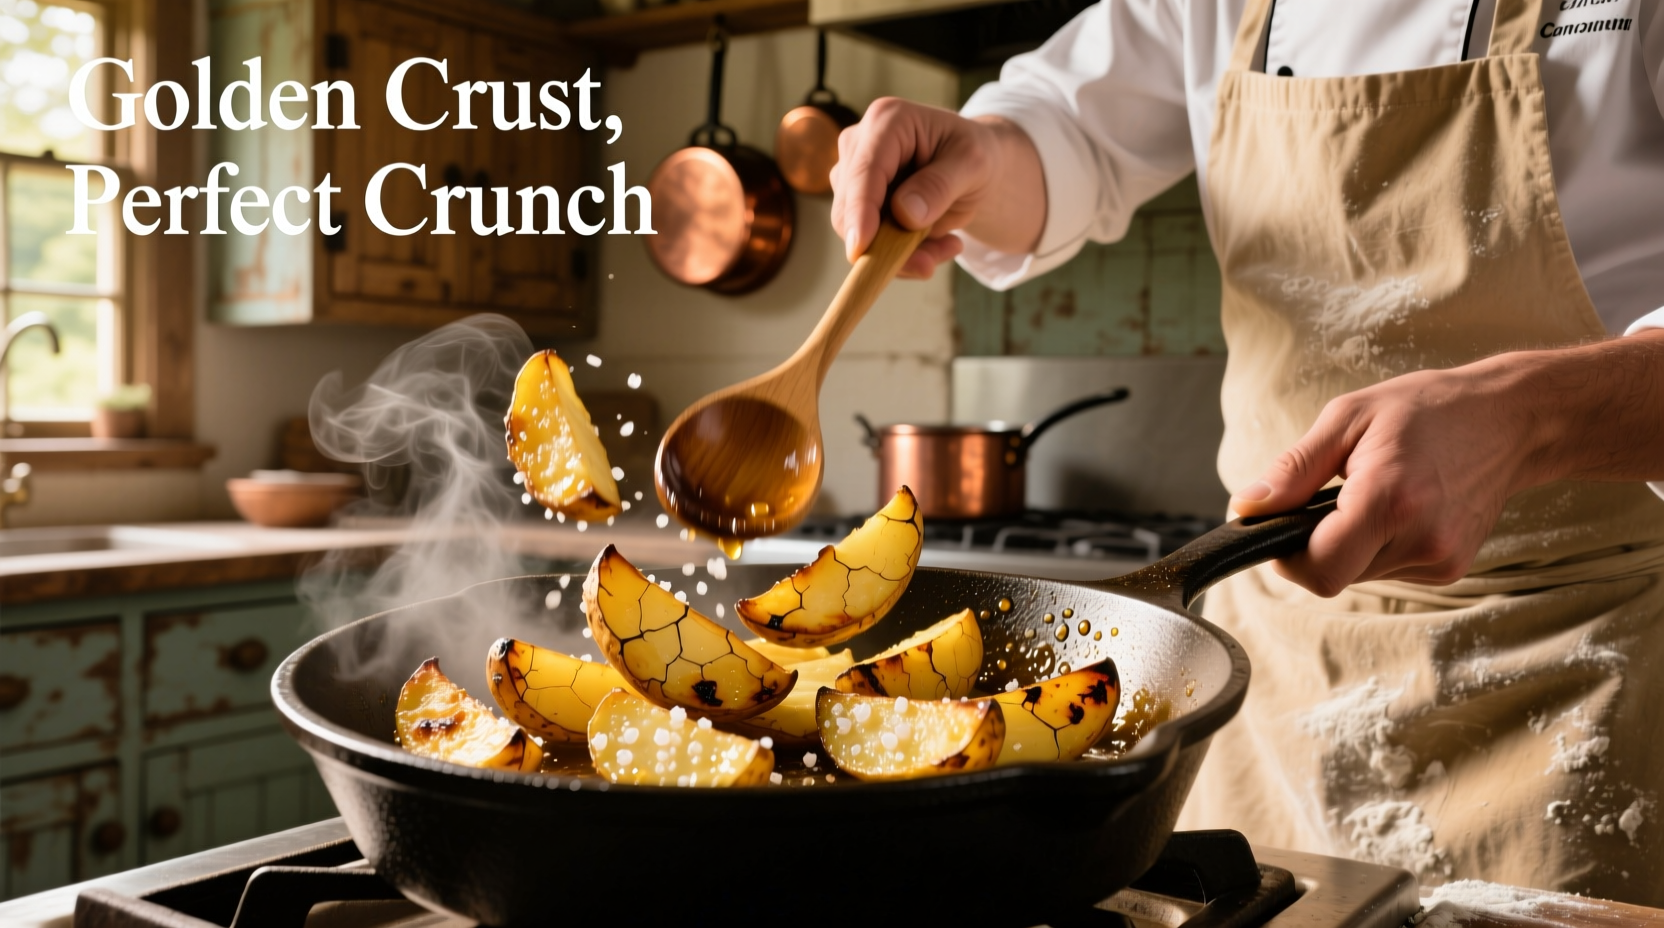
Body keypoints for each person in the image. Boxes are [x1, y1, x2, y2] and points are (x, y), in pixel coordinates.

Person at [829, 0, 1664, 904]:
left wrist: (1523, 416)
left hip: (1592, 668)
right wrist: (984, 158)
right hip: (1276, 679)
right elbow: (1071, 133)